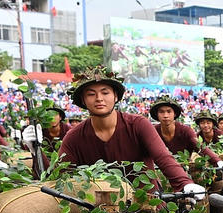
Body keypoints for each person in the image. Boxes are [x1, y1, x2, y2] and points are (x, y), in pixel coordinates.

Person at [55, 68, 202, 195]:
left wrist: (184, 183)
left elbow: (163, 157)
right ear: (83, 100)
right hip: (96, 211)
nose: (99, 99)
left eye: (105, 92)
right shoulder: (74, 137)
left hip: (144, 205)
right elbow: (61, 177)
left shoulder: (138, 125)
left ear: (116, 96)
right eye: (91, 94)